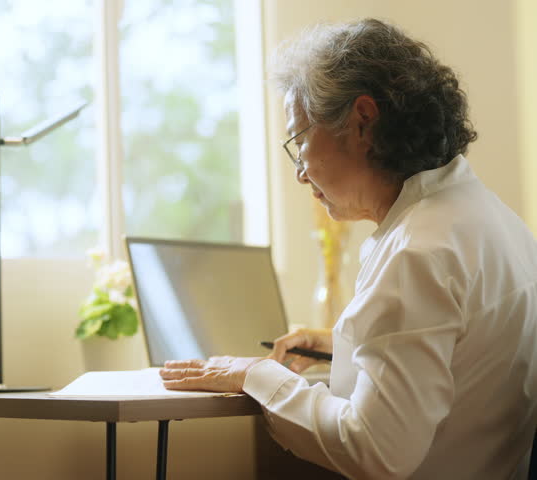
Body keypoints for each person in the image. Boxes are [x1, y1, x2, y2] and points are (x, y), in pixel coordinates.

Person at [159, 18, 537, 479]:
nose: (299, 172)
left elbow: (373, 449)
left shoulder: (417, 252)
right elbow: (460, 353)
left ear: (361, 120)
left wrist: (254, 375)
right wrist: (347, 344)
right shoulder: (492, 219)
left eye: (300, 141)